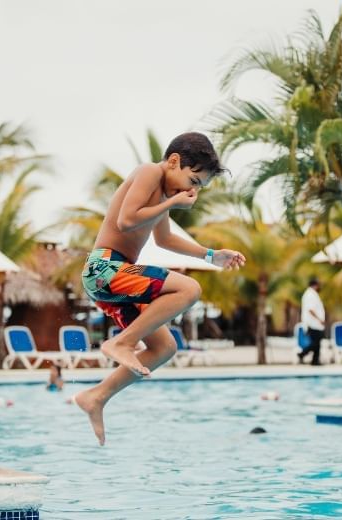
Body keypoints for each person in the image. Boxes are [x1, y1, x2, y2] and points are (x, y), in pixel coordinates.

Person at [73, 132, 246, 445]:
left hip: (118, 278)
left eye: (199, 187)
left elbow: (164, 240)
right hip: (104, 268)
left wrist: (211, 255)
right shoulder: (149, 172)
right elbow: (126, 221)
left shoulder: (164, 193)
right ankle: (122, 343)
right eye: (193, 181)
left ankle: (97, 397)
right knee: (189, 289)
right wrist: (173, 201)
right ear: (174, 161)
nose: (192, 191)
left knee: (164, 348)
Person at [299, 277, 325, 366]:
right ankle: (302, 354)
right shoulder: (310, 294)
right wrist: (319, 319)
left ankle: (315, 361)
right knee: (315, 343)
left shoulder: (312, 294)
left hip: (315, 324)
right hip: (312, 323)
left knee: (317, 343)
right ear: (315, 285)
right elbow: (311, 309)